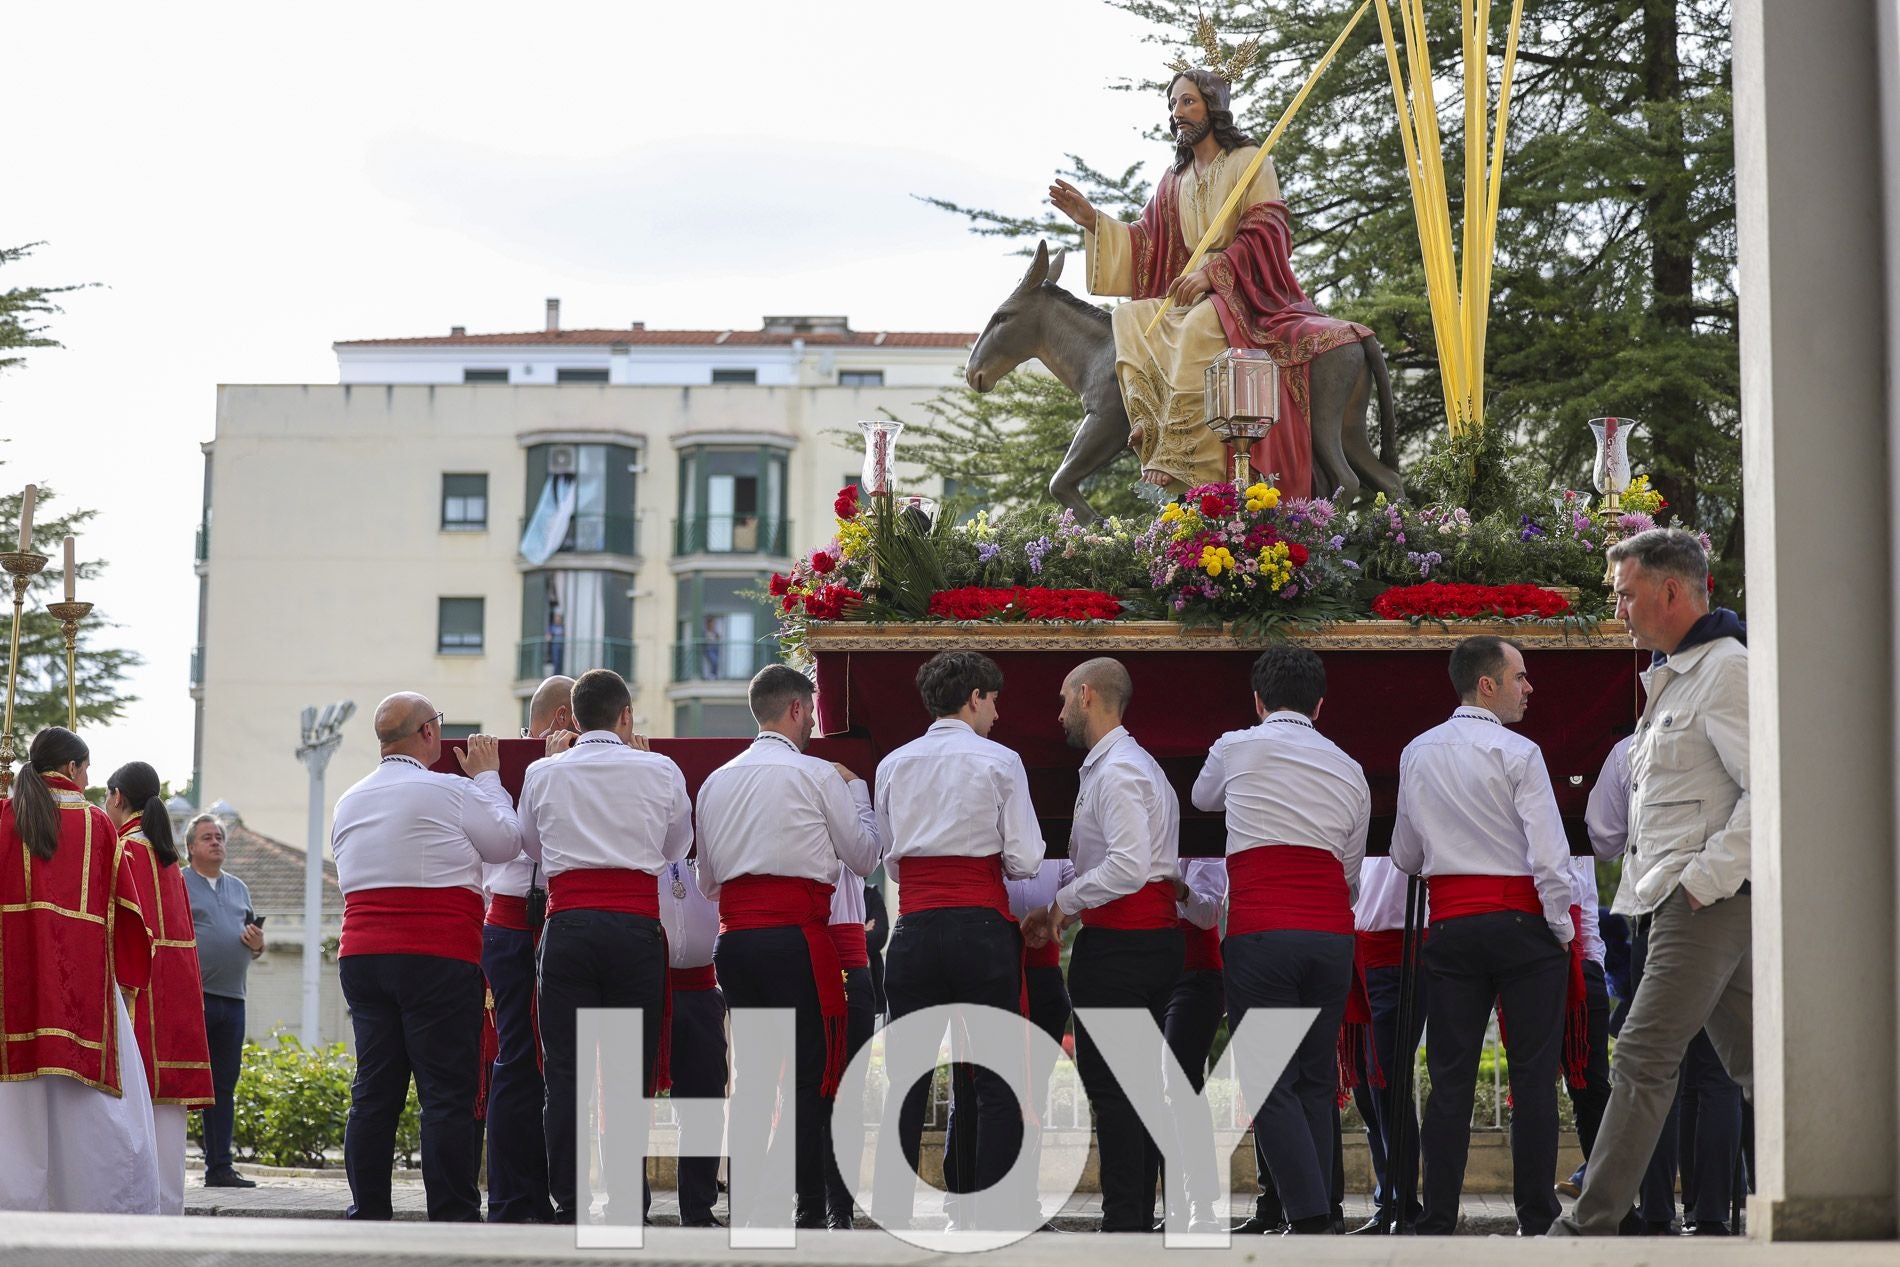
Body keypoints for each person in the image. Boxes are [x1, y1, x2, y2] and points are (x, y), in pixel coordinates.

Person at [1552, 529, 1750, 1238]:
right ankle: (1848, 1180)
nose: (1618, 610)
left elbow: (1773, 791)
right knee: (1760, 1064)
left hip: (1702, 903)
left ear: (1670, 591)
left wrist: (1700, 882)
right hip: (1686, 899)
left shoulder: (1726, 671)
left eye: (1625, 594)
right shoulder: (1681, 674)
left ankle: (1587, 1227)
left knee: (1640, 1056)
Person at [1049, 65, 1372, 495]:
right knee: (1128, 317)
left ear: (1213, 105)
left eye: (1188, 102)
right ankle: (1149, 422)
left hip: (1242, 288)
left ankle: (1183, 452)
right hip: (1189, 290)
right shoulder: (1174, 180)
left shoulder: (1249, 161)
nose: (1177, 113)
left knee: (1199, 326)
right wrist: (1093, 221)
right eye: (1173, 104)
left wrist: (1212, 275)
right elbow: (1147, 241)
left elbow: (1267, 231)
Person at [1391, 637, 1573, 1237]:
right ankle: (1537, 1217)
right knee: (1532, 1077)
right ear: (1487, 685)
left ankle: (1437, 1217)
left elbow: (1405, 854)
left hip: (1451, 924)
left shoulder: (1416, 751)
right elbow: (1550, 856)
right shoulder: (1520, 752)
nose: (1529, 688)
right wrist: (1560, 926)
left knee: (1449, 1079)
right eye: (1520, 677)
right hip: (1523, 925)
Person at [696, 664, 880, 1230]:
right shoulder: (819, 775)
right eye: (812, 714)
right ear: (797, 709)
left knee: (753, 1078)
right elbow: (864, 857)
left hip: (736, 941)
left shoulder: (716, 781)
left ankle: (751, 1207)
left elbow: (707, 883)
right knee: (808, 1076)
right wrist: (858, 793)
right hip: (796, 939)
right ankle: (808, 1208)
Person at [1191, 645, 1368, 1236]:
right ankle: (1323, 1211)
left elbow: (1201, 799)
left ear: (1258, 701)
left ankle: (1311, 1218)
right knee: (1316, 1079)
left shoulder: (1235, 745)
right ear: (1320, 705)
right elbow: (1350, 872)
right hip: (1331, 934)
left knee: (1269, 1082)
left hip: (1262, 929)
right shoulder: (1350, 767)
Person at [871, 651, 1046, 1231]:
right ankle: (991, 1215)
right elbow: (1025, 860)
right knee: (996, 1077)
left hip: (915, 929)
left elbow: (891, 859)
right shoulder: (1002, 760)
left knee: (907, 1079)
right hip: (980, 928)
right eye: (993, 701)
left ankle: (891, 1212)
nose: (996, 713)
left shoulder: (894, 763)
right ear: (974, 697)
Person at [330, 695, 521, 1222]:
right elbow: (507, 843)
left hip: (362, 954)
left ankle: (368, 1211)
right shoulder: (451, 790)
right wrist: (488, 778)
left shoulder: (348, 800)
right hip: (436, 952)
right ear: (428, 733)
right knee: (445, 1095)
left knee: (374, 1091)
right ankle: (451, 1217)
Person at [517, 668, 691, 1226]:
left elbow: (530, 847)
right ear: (626, 716)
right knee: (627, 1076)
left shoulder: (543, 771)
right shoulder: (660, 769)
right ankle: (625, 1204)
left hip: (568, 927)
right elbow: (677, 846)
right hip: (633, 930)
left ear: (574, 716)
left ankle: (568, 1203)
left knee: (565, 1075)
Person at [1021, 657, 1184, 1233]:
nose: (1059, 713)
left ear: (1086, 695)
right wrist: (1062, 903)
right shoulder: (1133, 766)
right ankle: (1133, 1214)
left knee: (1114, 1091)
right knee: (1135, 1089)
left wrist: (1064, 904)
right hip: (1146, 940)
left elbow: (1129, 865)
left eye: (1064, 699)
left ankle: (1124, 1220)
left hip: (1123, 945)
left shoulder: (1118, 771)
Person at [0, 727, 160, 1214]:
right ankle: (93, 1216)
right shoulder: (97, 823)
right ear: (72, 767)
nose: (89, 780)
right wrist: (130, 974)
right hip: (84, 995)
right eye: (86, 769)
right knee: (93, 1121)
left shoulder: (5, 816)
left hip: (13, 991)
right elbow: (129, 912)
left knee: (17, 1117)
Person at [481, 674, 572, 1224]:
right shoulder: (504, 766)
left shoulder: (574, 762)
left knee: (561, 1066)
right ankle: (515, 1198)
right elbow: (515, 843)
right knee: (518, 1062)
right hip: (516, 920)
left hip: (559, 919)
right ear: (562, 717)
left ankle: (556, 1193)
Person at [943, 859, 1073, 1233]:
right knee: (973, 1086)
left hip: (1041, 976)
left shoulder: (1060, 846)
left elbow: (1079, 892)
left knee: (1031, 1096)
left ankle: (1024, 1205)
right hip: (984, 973)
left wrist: (1055, 914)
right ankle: (963, 1207)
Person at [106, 761, 214, 1214]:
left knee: (131, 1111)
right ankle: (170, 1213)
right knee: (168, 1115)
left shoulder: (123, 851)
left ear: (117, 796)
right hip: (178, 994)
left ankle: (138, 1216)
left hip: (138, 993)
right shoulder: (170, 859)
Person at [1144, 855, 1227, 1229]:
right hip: (1145, 970)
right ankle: (1170, 1207)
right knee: (1152, 1089)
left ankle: (1201, 1204)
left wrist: (1179, 889)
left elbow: (1208, 913)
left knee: (1178, 1080)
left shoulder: (1201, 843)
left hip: (1196, 973)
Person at [1345, 855, 1426, 1234]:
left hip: (1400, 950)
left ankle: (1402, 1204)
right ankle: (1390, 1199)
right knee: (1365, 1085)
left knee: (1387, 1082)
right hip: (1358, 949)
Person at [182, 811, 263, 1189]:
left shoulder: (239, 888)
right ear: (190, 847)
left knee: (223, 1086)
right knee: (183, 1082)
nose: (216, 842)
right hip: (192, 999)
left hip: (233, 1000)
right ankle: (167, 1164)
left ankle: (219, 1168)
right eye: (207, 837)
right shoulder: (179, 882)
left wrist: (257, 944)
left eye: (219, 837)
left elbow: (254, 944)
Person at [653, 854, 724, 1228]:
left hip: (701, 987)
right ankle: (627, 1207)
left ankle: (698, 1209)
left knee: (705, 1103)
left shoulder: (706, 846)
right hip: (646, 986)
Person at [824, 860, 878, 1229]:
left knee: (847, 1096)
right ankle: (807, 1197)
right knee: (802, 1092)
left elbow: (866, 855)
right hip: (800, 955)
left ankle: (839, 1206)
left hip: (848, 964)